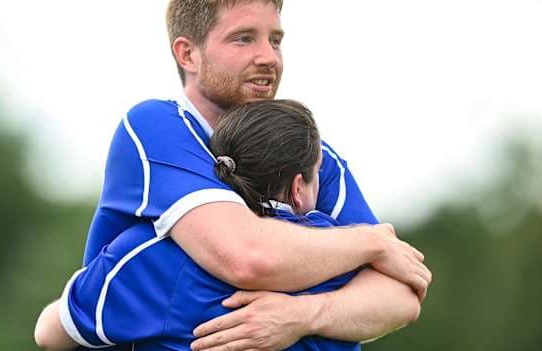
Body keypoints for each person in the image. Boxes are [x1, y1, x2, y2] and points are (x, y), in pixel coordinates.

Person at [35, 1, 432, 350]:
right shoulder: (157, 126)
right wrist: (369, 242)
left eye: (275, 40)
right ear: (187, 53)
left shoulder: (314, 155)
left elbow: (401, 295)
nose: (269, 57)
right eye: (244, 39)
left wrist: (301, 315)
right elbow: (247, 256)